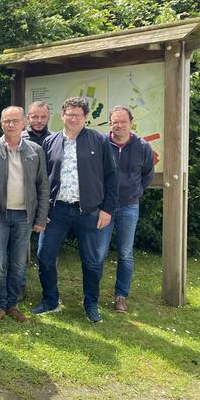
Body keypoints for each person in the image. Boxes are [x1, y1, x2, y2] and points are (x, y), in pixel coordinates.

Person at [34, 97, 118, 323]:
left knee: (91, 261)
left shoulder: (98, 141)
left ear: (85, 118)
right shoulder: (50, 142)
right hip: (56, 211)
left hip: (88, 210)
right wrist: (42, 211)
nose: (73, 119)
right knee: (45, 256)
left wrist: (107, 209)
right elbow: (41, 181)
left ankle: (91, 304)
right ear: (62, 116)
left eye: (78, 115)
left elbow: (111, 176)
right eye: (69, 114)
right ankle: (50, 300)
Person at [0, 106, 49, 325]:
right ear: (1, 123)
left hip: (24, 216)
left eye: (15, 121)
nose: (11, 125)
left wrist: (41, 217)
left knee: (18, 263)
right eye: (6, 121)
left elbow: (43, 185)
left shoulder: (35, 150)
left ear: (23, 122)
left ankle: (11, 305)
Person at [98, 105, 154, 313]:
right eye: (115, 121)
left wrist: (136, 190)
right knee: (98, 252)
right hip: (104, 208)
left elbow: (148, 173)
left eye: (123, 121)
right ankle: (92, 294)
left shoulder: (142, 146)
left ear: (131, 123)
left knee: (125, 253)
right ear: (110, 123)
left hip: (129, 206)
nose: (118, 125)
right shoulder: (102, 143)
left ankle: (121, 296)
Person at [18, 100, 52, 301]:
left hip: (47, 201)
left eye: (43, 117)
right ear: (27, 118)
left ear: (48, 117)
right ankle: (20, 285)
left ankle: (48, 290)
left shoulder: (56, 139)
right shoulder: (16, 138)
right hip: (21, 202)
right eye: (34, 117)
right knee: (21, 249)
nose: (38, 121)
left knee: (47, 250)